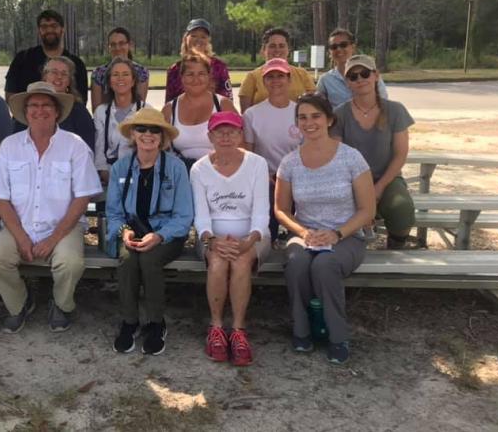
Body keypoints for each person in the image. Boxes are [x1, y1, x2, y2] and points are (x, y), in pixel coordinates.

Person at [0, 81, 102, 333]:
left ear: (57, 111)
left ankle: (61, 304)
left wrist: (54, 237)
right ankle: (20, 304)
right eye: (33, 105)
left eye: (46, 104)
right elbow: (0, 199)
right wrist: (21, 237)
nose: (39, 110)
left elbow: (82, 198)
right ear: (25, 113)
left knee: (70, 263)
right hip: (19, 226)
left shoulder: (75, 145)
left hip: (63, 227)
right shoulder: (9, 145)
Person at [275, 92, 375, 365]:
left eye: (316, 116)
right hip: (306, 235)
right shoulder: (290, 162)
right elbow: (281, 210)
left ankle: (337, 335)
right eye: (302, 117)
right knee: (296, 262)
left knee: (324, 265)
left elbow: (368, 210)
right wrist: (303, 232)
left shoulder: (351, 158)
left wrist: (337, 233)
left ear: (329, 120)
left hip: (347, 236)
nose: (309, 123)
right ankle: (302, 330)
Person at [105, 108, 194, 355]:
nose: (148, 134)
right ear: (132, 134)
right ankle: (129, 321)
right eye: (141, 129)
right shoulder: (120, 168)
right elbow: (113, 212)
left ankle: (156, 322)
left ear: (163, 136)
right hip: (130, 232)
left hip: (166, 234)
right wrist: (123, 232)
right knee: (127, 259)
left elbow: (184, 215)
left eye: (155, 129)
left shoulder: (176, 168)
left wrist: (159, 236)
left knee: (150, 258)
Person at [191, 112, 270, 366]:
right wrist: (211, 240)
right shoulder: (199, 168)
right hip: (212, 236)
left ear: (241, 135)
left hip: (253, 235)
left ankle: (237, 329)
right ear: (210, 136)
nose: (226, 137)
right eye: (220, 132)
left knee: (241, 262)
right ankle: (215, 327)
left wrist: (250, 240)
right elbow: (201, 216)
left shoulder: (257, 164)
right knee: (217, 262)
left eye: (232, 132)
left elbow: (261, 213)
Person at [332, 54, 415, 249]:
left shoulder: (395, 110)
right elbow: (338, 156)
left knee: (402, 209)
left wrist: (378, 187)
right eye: (353, 76)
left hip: (386, 178)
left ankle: (395, 249)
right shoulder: (339, 114)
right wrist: (362, 191)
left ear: (376, 76)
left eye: (365, 73)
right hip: (349, 180)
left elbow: (400, 154)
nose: (360, 79)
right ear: (347, 83)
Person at [243, 58, 303, 241]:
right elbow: (249, 153)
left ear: (289, 80)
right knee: (267, 209)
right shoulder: (252, 114)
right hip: (267, 177)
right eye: (270, 77)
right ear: (264, 82)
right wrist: (263, 176)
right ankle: (269, 241)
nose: (276, 81)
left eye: (280, 76)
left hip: (298, 176)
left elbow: (309, 150)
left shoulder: (302, 112)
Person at [162, 53, 236, 171]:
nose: (196, 79)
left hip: (220, 171)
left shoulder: (223, 105)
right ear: (182, 77)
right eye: (190, 74)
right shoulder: (169, 109)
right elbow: (161, 148)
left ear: (209, 76)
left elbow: (240, 143)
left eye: (201, 74)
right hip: (181, 174)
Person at [13, 56, 95, 151]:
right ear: (45, 76)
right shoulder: (28, 106)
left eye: (64, 74)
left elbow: (88, 148)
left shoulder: (78, 111)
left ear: (69, 81)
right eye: (54, 72)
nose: (59, 76)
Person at [4, 9, 88, 103]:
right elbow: (10, 95)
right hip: (27, 116)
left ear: (62, 29)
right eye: (44, 27)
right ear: (39, 31)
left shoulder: (77, 64)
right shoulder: (22, 59)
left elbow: (81, 99)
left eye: (54, 26)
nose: (49, 30)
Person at [93, 57, 150, 185]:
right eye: (115, 75)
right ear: (109, 81)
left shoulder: (147, 111)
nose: (120, 79)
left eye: (125, 74)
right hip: (109, 177)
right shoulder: (101, 112)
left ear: (133, 81)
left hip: (140, 177)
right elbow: (99, 148)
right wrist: (105, 174)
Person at [239, 27, 316, 112]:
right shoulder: (252, 77)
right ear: (263, 50)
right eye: (272, 46)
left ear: (288, 50)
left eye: (281, 46)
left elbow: (313, 106)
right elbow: (245, 114)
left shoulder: (302, 74)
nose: (277, 50)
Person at [316, 28, 388, 107]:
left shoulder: (368, 74)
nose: (339, 49)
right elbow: (318, 108)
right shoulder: (325, 80)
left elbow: (383, 102)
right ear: (330, 52)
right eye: (334, 47)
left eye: (343, 45)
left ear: (353, 47)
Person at [165, 18, 232, 103]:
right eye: (194, 36)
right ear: (186, 38)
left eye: (203, 37)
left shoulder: (219, 67)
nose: (198, 39)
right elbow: (169, 104)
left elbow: (227, 100)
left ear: (208, 41)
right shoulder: (174, 69)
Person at [90, 27, 149, 111]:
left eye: (121, 43)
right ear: (108, 47)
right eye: (113, 44)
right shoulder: (98, 73)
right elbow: (96, 109)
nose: (117, 48)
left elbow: (139, 106)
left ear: (129, 45)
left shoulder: (141, 72)